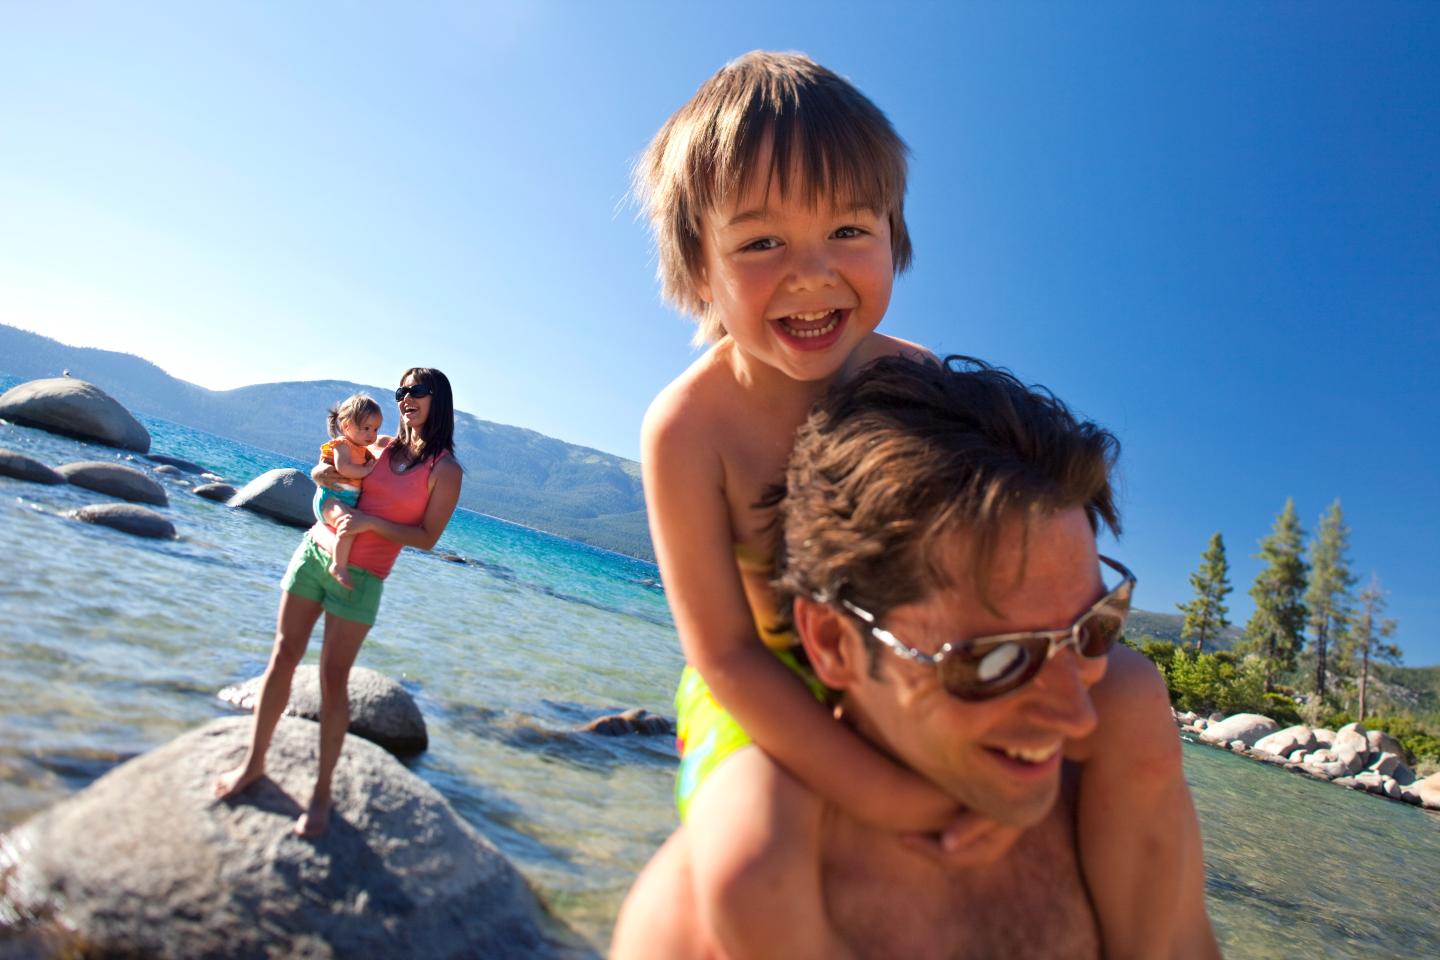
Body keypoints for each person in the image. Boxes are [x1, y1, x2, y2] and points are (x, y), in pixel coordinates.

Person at [614, 356, 1219, 958]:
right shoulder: (700, 927)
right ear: (831, 643)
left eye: (1095, 627)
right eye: (996, 661)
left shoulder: (1118, 789)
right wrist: (896, 798)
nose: (1079, 716)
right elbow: (726, 655)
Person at [636, 48, 992, 906]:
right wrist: (889, 792)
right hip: (765, 684)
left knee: (1129, 704)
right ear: (697, 270)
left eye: (848, 230)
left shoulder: (916, 382)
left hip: (902, 665)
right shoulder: (689, 430)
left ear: (893, 237)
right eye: (761, 241)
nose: (811, 271)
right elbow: (721, 655)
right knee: (749, 862)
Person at [213, 367, 463, 837]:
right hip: (313, 552)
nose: (406, 398)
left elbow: (428, 537)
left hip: (361, 577)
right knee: (282, 657)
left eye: (418, 391)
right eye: (401, 391)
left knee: (332, 680)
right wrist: (317, 472)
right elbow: (330, 468)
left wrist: (369, 525)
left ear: (439, 401)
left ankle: (321, 796)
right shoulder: (380, 444)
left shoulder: (445, 470)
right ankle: (253, 765)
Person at [314, 393, 383, 588]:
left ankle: (335, 559)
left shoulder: (362, 449)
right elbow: (343, 468)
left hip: (344, 500)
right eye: (366, 428)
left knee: (353, 525)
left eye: (376, 429)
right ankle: (338, 566)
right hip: (331, 498)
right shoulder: (342, 445)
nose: (372, 435)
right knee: (347, 523)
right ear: (346, 426)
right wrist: (366, 470)